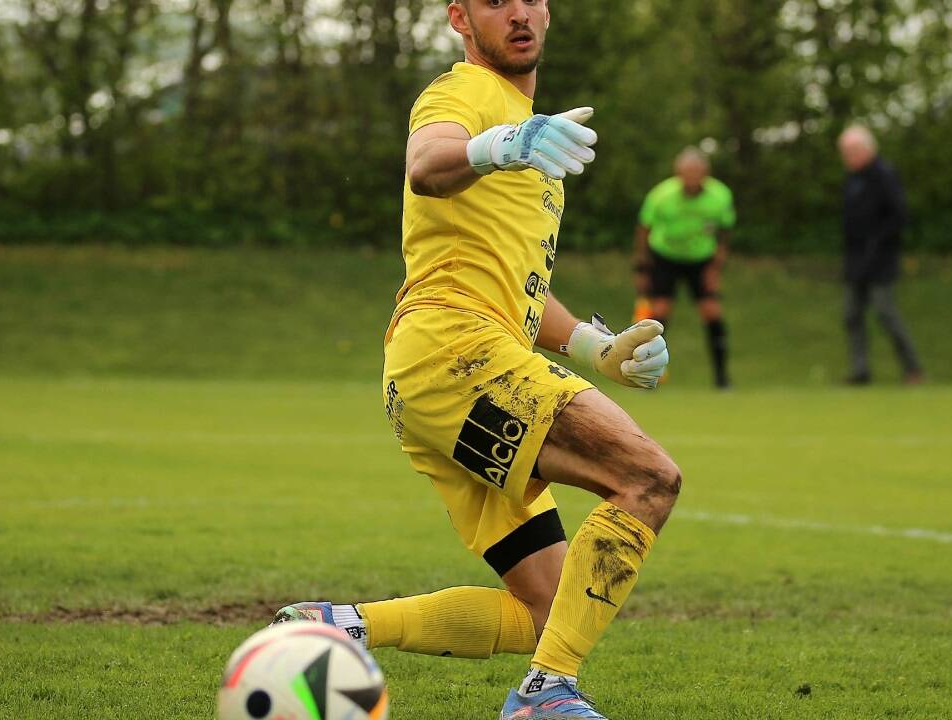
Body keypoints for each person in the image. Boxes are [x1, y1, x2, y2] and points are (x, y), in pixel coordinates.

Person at [274, 2, 681, 718]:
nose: (518, 13)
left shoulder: (536, 141)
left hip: (439, 370)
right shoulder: (460, 94)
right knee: (646, 477)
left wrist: (596, 349)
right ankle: (546, 696)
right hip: (456, 352)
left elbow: (520, 287)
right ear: (461, 17)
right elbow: (427, 166)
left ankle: (339, 627)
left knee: (548, 608)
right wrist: (498, 145)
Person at [633, 148, 735, 389]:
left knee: (712, 313)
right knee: (659, 314)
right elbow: (644, 229)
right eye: (687, 172)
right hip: (665, 257)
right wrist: (642, 268)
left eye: (697, 172)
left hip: (700, 260)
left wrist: (714, 269)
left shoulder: (720, 196)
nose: (692, 177)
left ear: (705, 173)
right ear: (678, 173)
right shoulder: (662, 195)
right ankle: (648, 376)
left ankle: (722, 379)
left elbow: (725, 233)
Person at [837, 125, 924, 385]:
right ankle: (860, 371)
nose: (847, 157)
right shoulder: (853, 180)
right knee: (851, 314)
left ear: (867, 149)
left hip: (880, 259)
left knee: (885, 312)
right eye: (844, 152)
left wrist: (877, 244)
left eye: (851, 151)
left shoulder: (884, 175)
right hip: (855, 259)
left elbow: (899, 215)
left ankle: (913, 368)